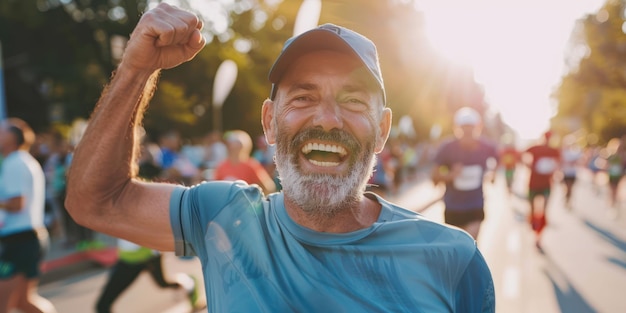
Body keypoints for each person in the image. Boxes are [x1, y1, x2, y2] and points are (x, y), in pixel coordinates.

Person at [65, 4, 494, 312]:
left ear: (382, 131)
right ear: (269, 122)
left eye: (353, 101)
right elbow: (93, 201)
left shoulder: (454, 260)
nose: (327, 119)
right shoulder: (225, 217)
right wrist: (136, 69)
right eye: (304, 97)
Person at [0, 118, 57, 313]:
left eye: (1, 132)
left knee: (4, 303)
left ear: (12, 139)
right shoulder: (22, 160)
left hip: (21, 240)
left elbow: (17, 204)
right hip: (29, 237)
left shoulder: (14, 162)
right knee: (22, 302)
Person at [431, 107, 498, 240]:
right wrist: (451, 175)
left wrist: (493, 174)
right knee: (456, 252)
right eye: (464, 128)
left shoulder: (486, 146)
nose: (468, 132)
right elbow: (434, 178)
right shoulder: (447, 148)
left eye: (471, 128)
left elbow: (498, 158)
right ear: (457, 129)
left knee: (470, 246)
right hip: (453, 208)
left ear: (477, 128)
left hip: (475, 206)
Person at [523, 131, 561, 251]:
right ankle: (533, 225)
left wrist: (554, 171)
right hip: (533, 184)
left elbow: (558, 164)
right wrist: (528, 165)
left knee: (544, 211)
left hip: (546, 185)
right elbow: (523, 155)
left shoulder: (553, 151)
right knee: (532, 210)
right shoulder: (535, 148)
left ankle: (538, 238)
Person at [560, 134, 582, 210]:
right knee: (567, 188)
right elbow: (561, 162)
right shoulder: (563, 152)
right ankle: (566, 199)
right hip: (565, 173)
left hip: (572, 173)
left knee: (570, 188)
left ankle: (568, 201)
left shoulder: (575, 152)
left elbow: (579, 161)